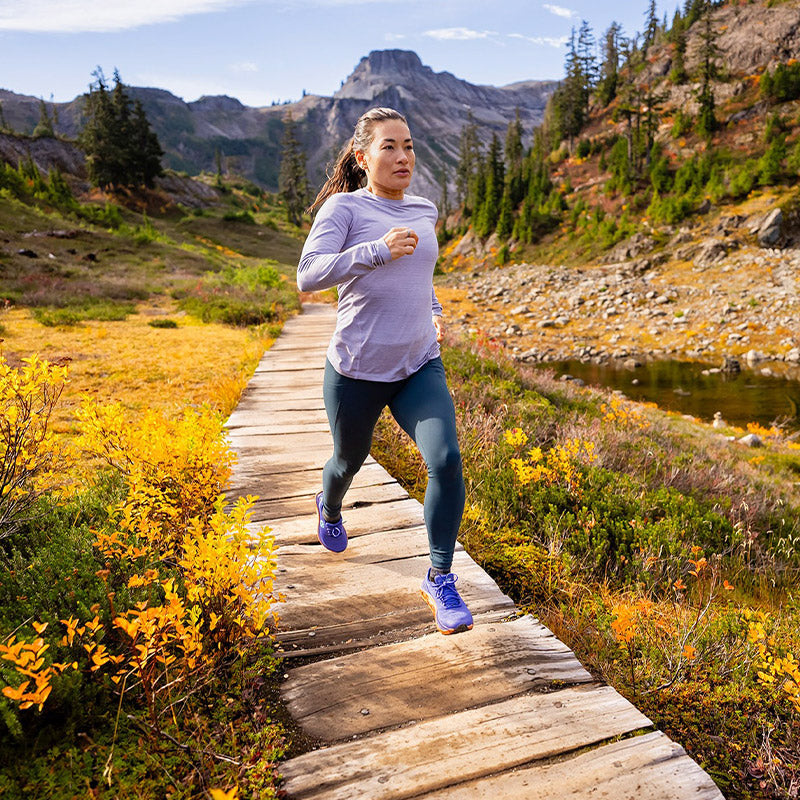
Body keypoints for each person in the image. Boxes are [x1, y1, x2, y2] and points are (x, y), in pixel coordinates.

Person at [296, 107, 473, 635]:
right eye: (390, 147)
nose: (403, 157)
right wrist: (374, 250)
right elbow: (307, 276)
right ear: (363, 156)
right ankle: (328, 505)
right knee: (348, 461)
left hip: (419, 363)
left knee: (445, 460)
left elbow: (423, 276)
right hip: (356, 369)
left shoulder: (424, 208)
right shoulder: (343, 210)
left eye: (410, 146)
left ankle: (439, 577)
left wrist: (435, 313)